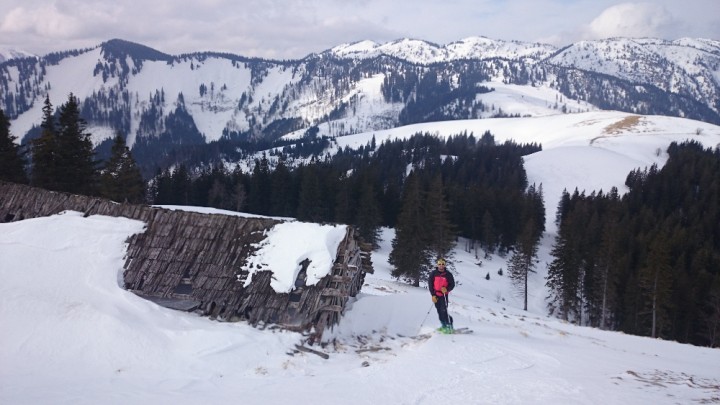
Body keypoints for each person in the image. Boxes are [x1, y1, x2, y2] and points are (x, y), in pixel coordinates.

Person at [428, 258, 455, 333]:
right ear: (437, 265)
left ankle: (449, 325)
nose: (441, 266)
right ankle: (443, 325)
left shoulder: (448, 274)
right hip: (436, 295)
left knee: (444, 311)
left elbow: (452, 284)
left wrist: (447, 289)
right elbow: (430, 284)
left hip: (443, 295)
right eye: (439, 264)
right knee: (439, 311)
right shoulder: (433, 273)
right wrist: (432, 295)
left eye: (443, 264)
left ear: (445, 265)